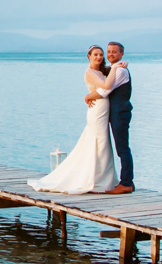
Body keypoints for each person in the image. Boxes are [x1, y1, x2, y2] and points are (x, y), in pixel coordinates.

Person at [27, 46, 119, 194]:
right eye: (95, 54)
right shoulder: (89, 72)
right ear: (88, 56)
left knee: (103, 144)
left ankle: (103, 179)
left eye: (101, 55)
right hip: (96, 110)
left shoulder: (102, 71)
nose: (99, 57)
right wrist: (115, 67)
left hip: (103, 109)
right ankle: (96, 181)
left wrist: (112, 68)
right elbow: (106, 85)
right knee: (99, 143)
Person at [84, 41, 133, 194]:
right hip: (110, 113)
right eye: (109, 51)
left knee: (122, 149)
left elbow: (105, 90)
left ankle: (126, 183)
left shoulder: (119, 71)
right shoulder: (112, 69)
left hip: (120, 112)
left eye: (115, 52)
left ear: (121, 54)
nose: (110, 54)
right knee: (112, 146)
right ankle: (111, 180)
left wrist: (87, 96)